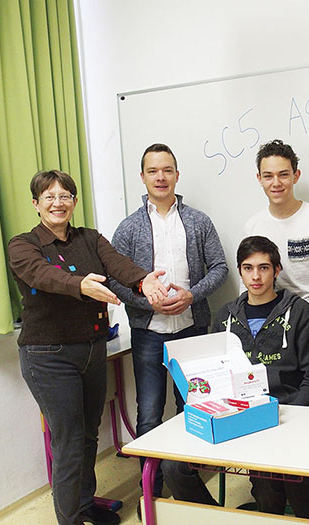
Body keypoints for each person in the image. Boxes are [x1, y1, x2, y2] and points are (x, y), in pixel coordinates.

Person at [8, 170, 168, 525]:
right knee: (68, 443)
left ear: (75, 201)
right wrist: (80, 285)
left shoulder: (90, 238)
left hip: (93, 349)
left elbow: (117, 264)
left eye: (65, 196)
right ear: (36, 204)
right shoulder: (23, 245)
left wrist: (142, 280)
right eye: (49, 197)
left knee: (88, 435)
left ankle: (83, 505)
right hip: (48, 356)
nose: (58, 203)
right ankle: (71, 520)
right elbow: (41, 275)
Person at [161, 235, 309, 516]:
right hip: (233, 414)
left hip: (283, 413)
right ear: (240, 271)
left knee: (266, 478)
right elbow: (213, 373)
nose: (256, 276)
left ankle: (271, 515)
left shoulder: (301, 313)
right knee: (172, 467)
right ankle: (214, 517)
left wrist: (288, 413)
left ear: (277, 270)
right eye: (248, 268)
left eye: (263, 268)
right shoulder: (225, 316)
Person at [109, 143, 228, 500]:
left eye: (167, 170)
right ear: (142, 177)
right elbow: (115, 279)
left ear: (177, 174)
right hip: (149, 334)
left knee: (193, 408)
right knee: (149, 414)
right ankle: (152, 493)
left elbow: (220, 267)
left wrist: (193, 295)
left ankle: (188, 490)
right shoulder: (128, 228)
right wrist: (146, 301)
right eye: (153, 171)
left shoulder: (198, 221)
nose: (160, 177)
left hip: (192, 330)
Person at [244, 139, 309, 308]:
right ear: (260, 179)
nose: (276, 183)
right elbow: (247, 283)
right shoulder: (253, 226)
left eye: (283, 174)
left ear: (296, 175)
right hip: (273, 313)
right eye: (268, 176)